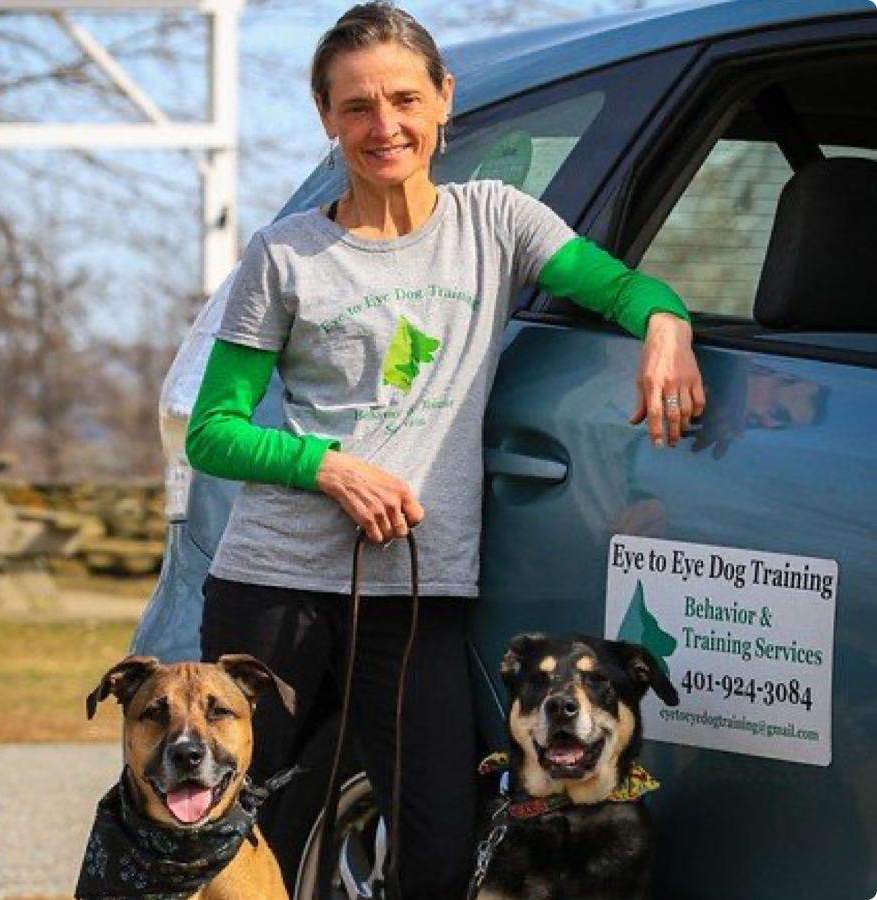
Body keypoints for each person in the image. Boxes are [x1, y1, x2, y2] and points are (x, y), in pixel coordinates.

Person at [186, 3, 705, 898]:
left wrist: (667, 322)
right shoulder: (285, 255)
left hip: (416, 593)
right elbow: (213, 430)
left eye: (403, 99)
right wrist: (327, 467)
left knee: (438, 843)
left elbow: (617, 285)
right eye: (356, 107)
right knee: (235, 829)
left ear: (443, 100)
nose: (383, 127)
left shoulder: (495, 221)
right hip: (274, 587)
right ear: (326, 116)